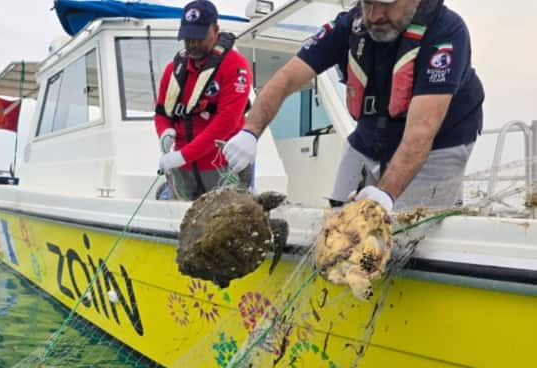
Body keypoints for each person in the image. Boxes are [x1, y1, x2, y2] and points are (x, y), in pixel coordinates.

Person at [223, 0, 484, 211]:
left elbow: (423, 128)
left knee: (402, 229)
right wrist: (251, 131)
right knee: (338, 217)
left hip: (437, 144)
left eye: (385, 4)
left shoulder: (447, 31)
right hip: (370, 136)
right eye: (367, 3)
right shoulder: (351, 24)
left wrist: (386, 194)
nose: (374, 15)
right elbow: (287, 77)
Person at [156, 0, 253, 200]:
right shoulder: (172, 70)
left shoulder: (235, 66)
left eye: (199, 37)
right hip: (182, 171)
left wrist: (183, 155)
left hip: (221, 169)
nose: (192, 44)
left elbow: (227, 122)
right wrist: (164, 132)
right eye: (187, 38)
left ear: (215, 29)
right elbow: (161, 113)